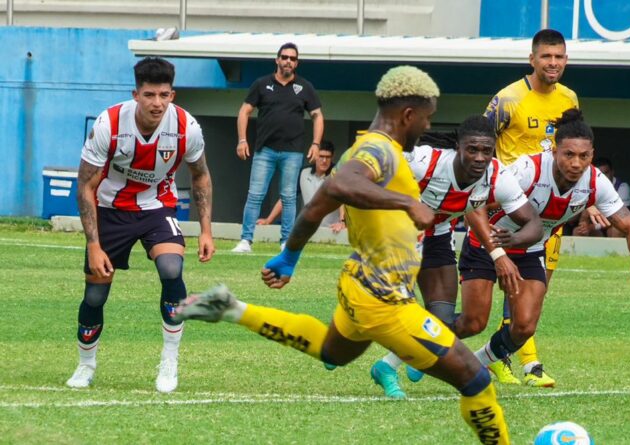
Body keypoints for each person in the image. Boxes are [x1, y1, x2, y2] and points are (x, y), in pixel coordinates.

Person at [175, 66, 512, 444]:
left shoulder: (375, 149)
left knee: (331, 350)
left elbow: (318, 204)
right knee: (477, 380)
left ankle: (232, 309)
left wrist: (290, 255)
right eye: (428, 117)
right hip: (385, 301)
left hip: (358, 283)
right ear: (408, 115)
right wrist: (406, 202)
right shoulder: (378, 150)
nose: (427, 126)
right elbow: (343, 183)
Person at [463, 109, 630, 382]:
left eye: (584, 156)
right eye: (569, 155)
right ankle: (400, 356)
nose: (576, 163)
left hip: (530, 250)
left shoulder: (595, 182)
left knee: (524, 326)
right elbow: (474, 204)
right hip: (488, 244)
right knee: (473, 322)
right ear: (554, 150)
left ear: (592, 154)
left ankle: (476, 362)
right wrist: (496, 251)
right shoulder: (528, 170)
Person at [67, 57, 215, 393]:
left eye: (164, 95)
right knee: (94, 294)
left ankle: (169, 360)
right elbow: (85, 185)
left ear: (172, 95)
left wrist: (205, 229)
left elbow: (201, 175)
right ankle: (85, 365)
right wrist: (93, 244)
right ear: (136, 94)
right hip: (109, 209)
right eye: (149, 95)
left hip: (157, 206)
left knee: (171, 268)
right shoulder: (110, 124)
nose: (157, 103)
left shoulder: (186, 128)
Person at [369, 115, 543, 399]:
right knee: (393, 309)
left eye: (487, 150)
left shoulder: (497, 176)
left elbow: (533, 222)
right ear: (458, 148)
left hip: (435, 235)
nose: (479, 157)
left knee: (441, 322)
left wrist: (510, 242)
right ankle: (345, 335)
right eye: (472, 149)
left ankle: (386, 367)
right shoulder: (425, 160)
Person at [482, 28, 580, 387]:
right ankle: (527, 363)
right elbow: (480, 142)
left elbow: (575, 147)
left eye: (559, 57)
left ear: (566, 60)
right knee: (517, 287)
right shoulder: (508, 99)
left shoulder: (569, 99)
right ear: (532, 59)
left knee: (536, 291)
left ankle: (508, 357)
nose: (552, 63)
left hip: (552, 212)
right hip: (513, 210)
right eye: (546, 57)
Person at [233, 42, 325, 253]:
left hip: (292, 152)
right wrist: (242, 140)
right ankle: (245, 240)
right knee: (255, 194)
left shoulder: (304, 87)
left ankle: (286, 242)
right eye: (284, 57)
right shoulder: (261, 83)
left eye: (292, 59)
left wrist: (316, 144)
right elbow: (244, 111)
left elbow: (318, 115)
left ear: (296, 63)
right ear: (277, 60)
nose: (288, 61)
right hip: (264, 150)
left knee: (289, 197)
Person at [257, 140, 346, 234]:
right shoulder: (304, 173)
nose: (324, 161)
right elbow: (286, 198)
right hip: (307, 230)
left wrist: (342, 222)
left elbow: (344, 200)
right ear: (315, 155)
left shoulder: (337, 174)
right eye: (321, 156)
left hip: (332, 230)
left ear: (332, 157)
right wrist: (268, 220)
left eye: (328, 157)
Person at [574, 157, 630, 237]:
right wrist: (583, 224)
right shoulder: (590, 186)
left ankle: (614, 250)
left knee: (614, 231)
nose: (603, 177)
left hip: (614, 225)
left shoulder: (622, 187)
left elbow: (620, 219)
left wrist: (592, 227)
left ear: (612, 172)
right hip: (597, 226)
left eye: (606, 173)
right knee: (578, 231)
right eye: (600, 174)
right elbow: (585, 212)